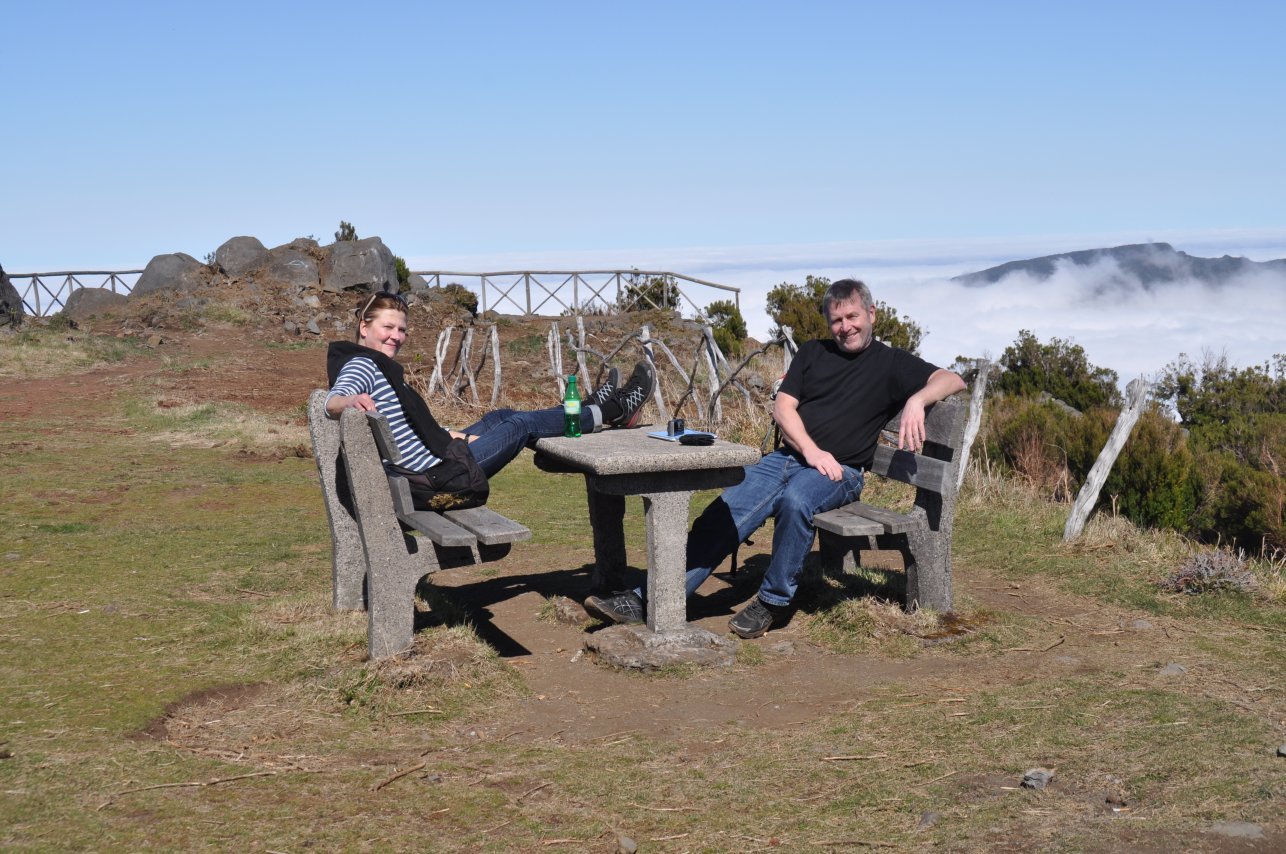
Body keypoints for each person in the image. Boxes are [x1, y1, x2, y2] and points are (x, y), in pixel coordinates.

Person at [585, 278, 967, 638]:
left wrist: (917, 399)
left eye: (853, 316)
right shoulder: (813, 353)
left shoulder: (891, 363)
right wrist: (811, 451)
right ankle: (649, 597)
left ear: (871, 314)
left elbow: (953, 379)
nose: (845, 327)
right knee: (721, 514)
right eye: (836, 320)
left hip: (842, 470)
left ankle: (773, 600)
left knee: (797, 502)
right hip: (789, 459)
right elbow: (784, 408)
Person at [326, 290, 655, 507]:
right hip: (438, 479)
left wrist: (452, 435)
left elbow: (410, 430)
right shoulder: (362, 365)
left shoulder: (371, 364)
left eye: (402, 330)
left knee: (501, 416)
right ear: (364, 327)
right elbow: (333, 400)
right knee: (520, 425)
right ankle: (613, 409)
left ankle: (585, 409)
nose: (396, 336)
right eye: (388, 327)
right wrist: (348, 402)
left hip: (423, 468)